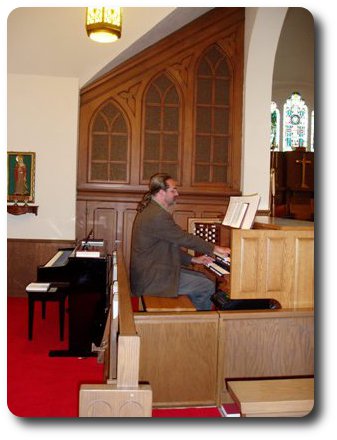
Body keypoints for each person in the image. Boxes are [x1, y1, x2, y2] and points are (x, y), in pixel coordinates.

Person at [130, 173, 230, 310]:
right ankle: (199, 325)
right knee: (207, 286)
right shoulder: (157, 215)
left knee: (203, 278)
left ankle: (188, 318)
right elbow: (183, 238)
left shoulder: (153, 210)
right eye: (173, 190)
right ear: (161, 192)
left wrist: (193, 260)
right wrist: (215, 248)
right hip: (152, 279)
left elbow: (168, 245)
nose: (176, 193)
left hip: (153, 271)